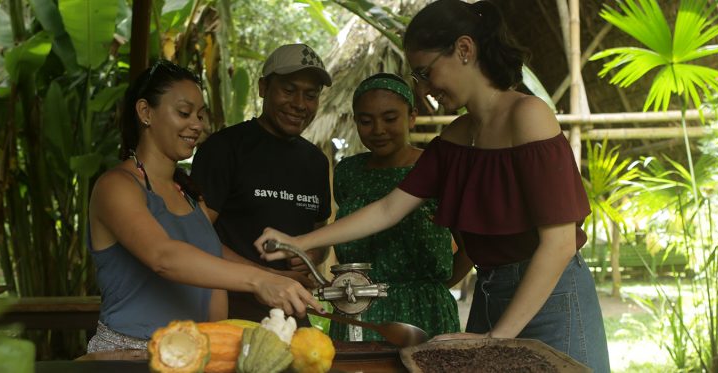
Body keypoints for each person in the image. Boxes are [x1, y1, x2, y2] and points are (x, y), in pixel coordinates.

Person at [254, 1, 610, 371]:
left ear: (465, 50)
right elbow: (389, 209)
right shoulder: (457, 136)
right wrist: (301, 242)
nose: (424, 88)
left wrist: (497, 339)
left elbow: (559, 243)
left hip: (552, 295)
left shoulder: (529, 116)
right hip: (492, 293)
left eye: (426, 72)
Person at [86, 60, 320, 353]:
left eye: (200, 115)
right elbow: (164, 256)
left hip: (194, 353)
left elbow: (209, 257)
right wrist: (258, 280)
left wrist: (276, 279)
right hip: (128, 355)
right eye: (184, 113)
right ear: (146, 112)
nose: (197, 125)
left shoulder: (187, 193)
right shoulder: (117, 186)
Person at [191, 44, 334, 323]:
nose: (299, 104)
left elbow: (320, 234)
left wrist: (313, 252)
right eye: (289, 90)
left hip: (293, 317)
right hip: (229, 315)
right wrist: (271, 277)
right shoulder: (224, 148)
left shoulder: (316, 161)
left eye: (311, 95)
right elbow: (195, 235)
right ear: (263, 87)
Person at [327, 73, 467, 341]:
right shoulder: (348, 173)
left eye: (390, 119)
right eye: (366, 121)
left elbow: (469, 247)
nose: (378, 129)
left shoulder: (437, 168)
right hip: (357, 311)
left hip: (423, 313)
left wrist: (431, 290)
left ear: (411, 116)